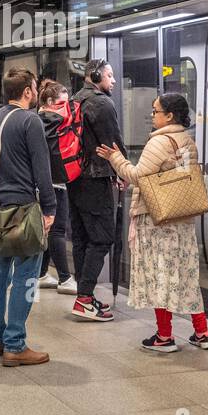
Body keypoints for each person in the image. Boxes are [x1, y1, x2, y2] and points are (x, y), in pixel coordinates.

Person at [98, 93, 208, 352]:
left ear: (169, 115)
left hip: (157, 219)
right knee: (185, 274)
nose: (152, 116)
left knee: (160, 273)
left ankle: (164, 336)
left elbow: (138, 177)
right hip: (181, 218)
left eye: (155, 111)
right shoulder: (187, 140)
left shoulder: (159, 142)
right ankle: (202, 331)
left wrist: (115, 159)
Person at [0, 69, 56, 366]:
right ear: (27, 91)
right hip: (24, 208)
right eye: (35, 87)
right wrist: (49, 209)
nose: (36, 91)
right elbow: (42, 170)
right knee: (26, 277)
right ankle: (15, 343)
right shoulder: (30, 120)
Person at [68, 59, 126, 321]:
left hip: (75, 178)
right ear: (95, 75)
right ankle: (84, 298)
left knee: (81, 238)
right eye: (109, 75)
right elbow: (112, 141)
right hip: (95, 178)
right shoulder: (101, 103)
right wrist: (121, 170)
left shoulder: (74, 100)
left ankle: (85, 296)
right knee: (103, 237)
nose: (113, 81)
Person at [35, 80, 76, 295]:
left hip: (45, 182)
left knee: (48, 230)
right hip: (55, 183)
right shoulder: (53, 120)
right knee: (58, 229)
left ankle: (41, 273)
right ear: (50, 102)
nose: (66, 108)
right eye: (62, 103)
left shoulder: (35, 120)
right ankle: (65, 278)